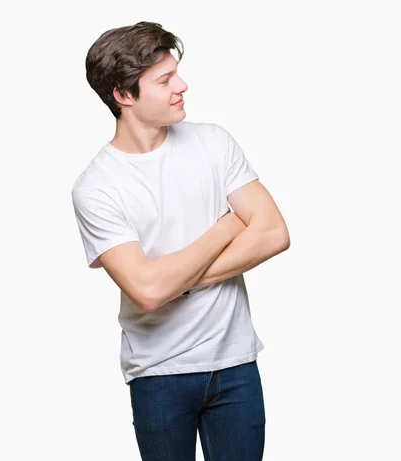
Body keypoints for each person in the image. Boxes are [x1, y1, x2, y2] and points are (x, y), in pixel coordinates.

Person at [71, 21, 290, 461]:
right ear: (124, 95)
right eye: (165, 80)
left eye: (177, 73)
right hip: (159, 373)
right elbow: (148, 292)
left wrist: (176, 279)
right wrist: (226, 227)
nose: (182, 86)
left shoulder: (213, 142)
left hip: (236, 364)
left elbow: (273, 233)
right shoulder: (97, 187)